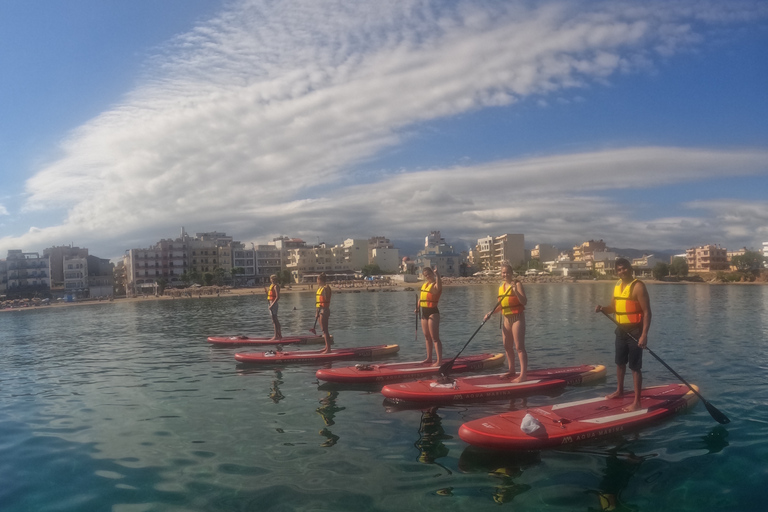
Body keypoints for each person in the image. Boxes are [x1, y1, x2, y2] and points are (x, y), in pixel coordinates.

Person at [595, 258, 652, 412]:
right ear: (617, 272)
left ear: (630, 268)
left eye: (624, 268)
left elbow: (647, 312)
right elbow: (613, 307)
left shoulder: (638, 287)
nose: (622, 271)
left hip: (635, 331)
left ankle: (637, 402)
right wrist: (602, 308)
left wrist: (644, 335)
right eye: (619, 269)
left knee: (635, 367)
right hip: (620, 330)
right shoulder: (618, 285)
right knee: (620, 363)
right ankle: (619, 391)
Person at [484, 261, 528, 382]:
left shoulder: (517, 284)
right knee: (507, 346)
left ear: (511, 273)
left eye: (507, 272)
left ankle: (523, 375)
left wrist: (516, 291)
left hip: (517, 318)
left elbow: (524, 301)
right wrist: (490, 313)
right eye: (503, 273)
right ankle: (512, 370)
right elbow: (501, 306)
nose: (505, 275)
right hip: (506, 319)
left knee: (519, 347)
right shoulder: (501, 287)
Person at [416, 267, 443, 366]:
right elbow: (421, 298)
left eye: (429, 274)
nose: (428, 276)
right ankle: (429, 358)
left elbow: (438, 287)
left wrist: (438, 275)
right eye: (426, 275)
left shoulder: (436, 285)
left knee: (435, 338)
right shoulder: (425, 285)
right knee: (427, 337)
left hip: (433, 312)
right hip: (424, 313)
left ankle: (439, 361)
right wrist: (417, 308)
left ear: (432, 273)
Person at [315, 272, 333, 353]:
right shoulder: (320, 288)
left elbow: (326, 298)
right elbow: (318, 303)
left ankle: (328, 349)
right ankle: (326, 347)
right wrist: (317, 312)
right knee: (323, 330)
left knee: (325, 330)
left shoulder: (326, 288)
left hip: (324, 310)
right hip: (320, 310)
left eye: (317, 279)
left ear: (319, 280)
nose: (316, 281)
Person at [267, 274, 282, 340]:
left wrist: (271, 305)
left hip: (273, 304)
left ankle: (276, 336)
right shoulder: (272, 286)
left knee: (274, 320)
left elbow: (277, 297)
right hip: (271, 303)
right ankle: (279, 335)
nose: (271, 280)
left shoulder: (276, 286)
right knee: (274, 320)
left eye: (272, 279)